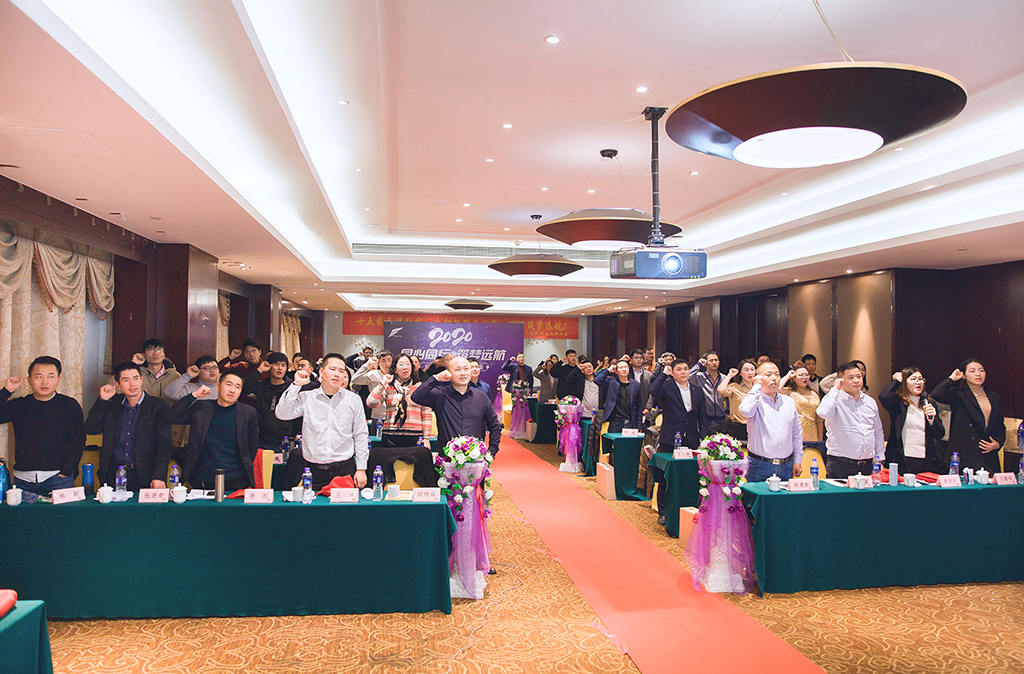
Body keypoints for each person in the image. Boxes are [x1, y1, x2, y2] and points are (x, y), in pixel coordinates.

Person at [275, 353, 369, 490]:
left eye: (341, 371)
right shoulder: (307, 398)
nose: (337, 374)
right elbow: (282, 413)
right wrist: (296, 385)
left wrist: (361, 469)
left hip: (344, 469)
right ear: (321, 372)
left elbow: (360, 435)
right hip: (313, 470)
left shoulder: (353, 400)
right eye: (332, 369)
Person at [0, 356, 85, 495]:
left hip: (58, 478)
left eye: (51, 376)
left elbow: (78, 440)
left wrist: (66, 471)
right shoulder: (19, 405)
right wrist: (7, 390)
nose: (45, 382)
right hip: (23, 480)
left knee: (63, 511)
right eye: (38, 377)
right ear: (29, 380)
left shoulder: (69, 405)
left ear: (59, 379)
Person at [85, 361, 172, 492]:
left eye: (135, 378)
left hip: (145, 474)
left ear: (141, 379)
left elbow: (164, 445)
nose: (132, 384)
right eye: (126, 380)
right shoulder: (112, 403)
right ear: (117, 384)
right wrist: (102, 400)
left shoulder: (158, 406)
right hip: (113, 473)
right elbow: (91, 428)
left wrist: (159, 476)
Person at [165, 371, 259, 491]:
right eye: (228, 384)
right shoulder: (201, 407)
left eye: (237, 387)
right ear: (218, 386)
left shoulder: (248, 412)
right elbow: (170, 417)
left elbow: (253, 446)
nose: (232, 390)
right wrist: (193, 396)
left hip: (236, 479)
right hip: (202, 478)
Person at [648, 358, 704, 523]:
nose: (683, 372)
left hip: (691, 439)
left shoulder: (697, 390)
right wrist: (663, 374)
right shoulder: (667, 387)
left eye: (685, 369)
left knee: (690, 474)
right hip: (669, 438)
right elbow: (653, 390)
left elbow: (702, 416)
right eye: (678, 369)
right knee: (666, 476)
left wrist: (704, 437)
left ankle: (689, 508)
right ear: (672, 372)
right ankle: (663, 512)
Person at [411, 356, 502, 456]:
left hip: (475, 459)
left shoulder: (481, 396)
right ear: (449, 372)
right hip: (446, 459)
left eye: (466, 369)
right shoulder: (440, 394)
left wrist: (491, 452)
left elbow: (494, 425)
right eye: (458, 369)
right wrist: (436, 378)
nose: (463, 373)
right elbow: (416, 396)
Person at [930, 360, 1005, 473]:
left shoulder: (995, 397)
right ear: (963, 375)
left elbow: (1000, 426)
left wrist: (997, 443)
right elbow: (937, 394)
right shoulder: (958, 394)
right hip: (964, 453)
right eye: (972, 371)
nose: (978, 374)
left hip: (987, 455)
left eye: (981, 371)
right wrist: (952, 378)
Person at [816, 361, 884, 479]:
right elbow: (823, 413)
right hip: (841, 464)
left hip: (867, 464)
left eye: (859, 376)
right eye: (851, 378)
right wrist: (835, 389)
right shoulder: (834, 399)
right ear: (840, 380)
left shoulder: (869, 401)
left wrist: (880, 457)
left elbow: (877, 431)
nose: (856, 380)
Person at [739, 361, 803, 482]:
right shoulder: (754, 400)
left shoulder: (789, 402)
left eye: (777, 374)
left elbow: (796, 433)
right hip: (759, 465)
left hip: (786, 465)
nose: (774, 378)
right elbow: (745, 411)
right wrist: (756, 386)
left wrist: (797, 460)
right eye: (768, 374)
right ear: (758, 378)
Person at [878, 368, 944, 473]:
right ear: (905, 383)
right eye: (913, 379)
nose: (918, 382)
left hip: (926, 459)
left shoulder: (929, 404)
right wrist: (897, 381)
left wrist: (932, 420)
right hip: (902, 458)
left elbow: (940, 434)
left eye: (920, 379)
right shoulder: (898, 403)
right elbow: (883, 396)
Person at [367, 354, 433, 447]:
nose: (405, 367)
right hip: (390, 436)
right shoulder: (388, 386)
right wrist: (383, 383)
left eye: (408, 364)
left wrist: (426, 438)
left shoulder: (420, 387)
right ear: (395, 369)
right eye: (401, 364)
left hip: (415, 437)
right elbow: (371, 403)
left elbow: (426, 413)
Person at [243, 352, 301, 453]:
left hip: (285, 440)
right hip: (262, 438)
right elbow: (245, 389)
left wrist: (295, 433)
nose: (280, 368)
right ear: (269, 366)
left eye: (283, 365)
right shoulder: (262, 386)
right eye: (276, 364)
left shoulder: (292, 388)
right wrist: (259, 370)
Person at [115, 338, 180, 399]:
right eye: (151, 350)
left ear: (164, 355)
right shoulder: (137, 374)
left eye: (159, 350)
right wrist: (132, 364)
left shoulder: (175, 376)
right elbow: (115, 388)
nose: (155, 353)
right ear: (144, 355)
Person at [594, 359, 642, 433]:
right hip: (615, 422)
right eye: (621, 367)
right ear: (616, 371)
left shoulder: (635, 384)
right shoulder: (611, 382)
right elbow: (597, 380)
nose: (624, 369)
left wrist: (639, 425)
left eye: (626, 367)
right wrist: (608, 370)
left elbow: (639, 406)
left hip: (630, 422)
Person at [715, 359, 756, 440]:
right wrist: (729, 375)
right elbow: (720, 390)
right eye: (746, 370)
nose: (750, 372)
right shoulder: (734, 387)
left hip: (755, 426)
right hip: (738, 426)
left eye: (752, 369)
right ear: (740, 373)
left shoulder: (758, 388)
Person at [781, 365, 823, 442]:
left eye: (807, 375)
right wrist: (788, 376)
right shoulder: (788, 392)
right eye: (800, 375)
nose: (804, 377)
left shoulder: (814, 394)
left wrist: (820, 439)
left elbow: (819, 419)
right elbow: (776, 390)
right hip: (795, 430)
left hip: (812, 432)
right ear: (794, 378)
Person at [690, 350, 727, 433]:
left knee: (722, 440)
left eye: (716, 360)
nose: (714, 362)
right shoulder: (699, 377)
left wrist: (728, 411)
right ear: (705, 362)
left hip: (722, 417)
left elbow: (728, 397)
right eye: (711, 360)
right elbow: (687, 377)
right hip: (705, 417)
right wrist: (698, 365)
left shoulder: (724, 378)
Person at [352, 351, 394, 421]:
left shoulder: (397, 375)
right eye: (383, 361)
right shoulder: (373, 374)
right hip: (378, 416)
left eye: (389, 360)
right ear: (378, 363)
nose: (387, 363)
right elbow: (354, 380)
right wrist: (366, 365)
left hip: (394, 416)